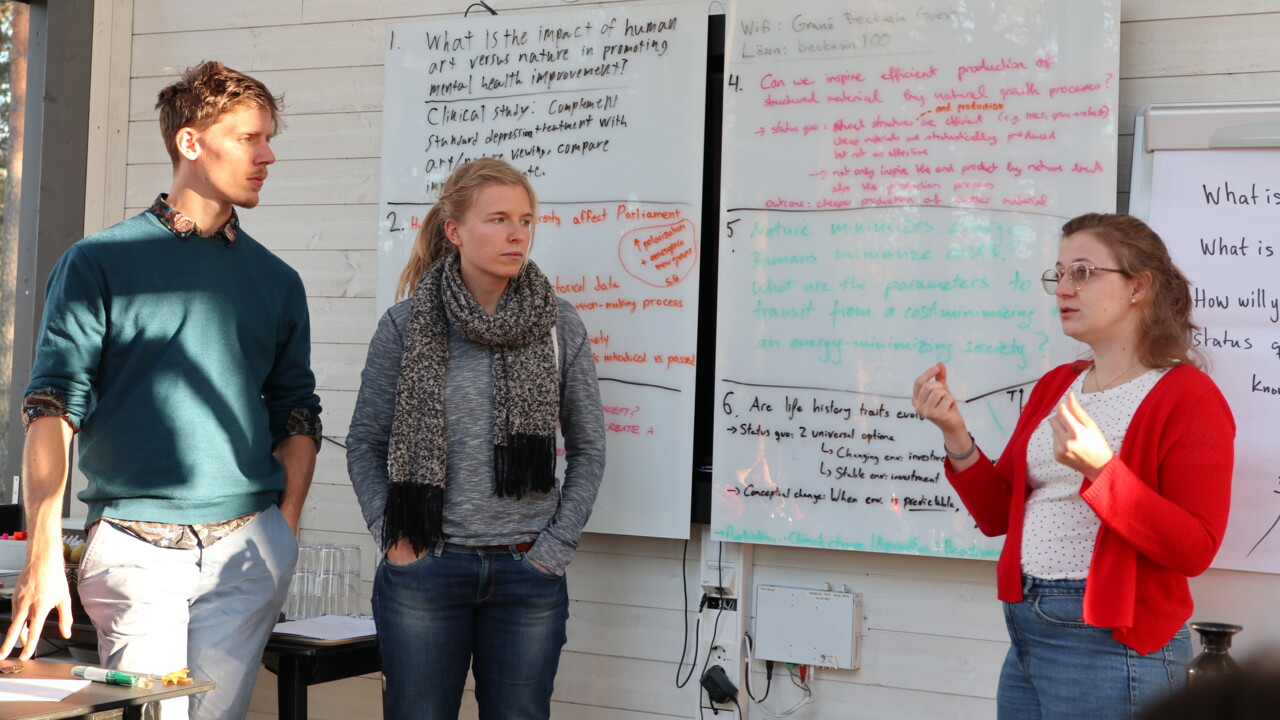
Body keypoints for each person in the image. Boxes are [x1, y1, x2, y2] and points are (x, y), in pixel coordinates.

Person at [2, 61, 321, 720]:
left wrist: (281, 536)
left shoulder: (278, 281)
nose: (267, 156)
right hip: (136, 552)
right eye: (249, 138)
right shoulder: (97, 263)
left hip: (247, 551)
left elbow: (297, 414)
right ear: (190, 142)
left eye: (269, 140)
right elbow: (53, 406)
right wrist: (42, 549)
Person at [912, 213, 1233, 719]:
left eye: (1082, 272)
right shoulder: (1057, 384)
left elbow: (1195, 549)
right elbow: (997, 515)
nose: (1064, 288)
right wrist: (955, 435)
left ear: (1138, 286)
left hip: (1113, 643)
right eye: (1059, 274)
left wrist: (1101, 471)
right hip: (1026, 629)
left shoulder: (1189, 395)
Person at [347, 157, 606, 720]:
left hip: (527, 573)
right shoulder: (404, 325)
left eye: (525, 220)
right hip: (426, 570)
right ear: (455, 231)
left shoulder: (558, 324)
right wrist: (395, 541)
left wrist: (553, 550)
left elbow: (589, 448)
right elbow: (365, 442)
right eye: (498, 219)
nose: (517, 234)